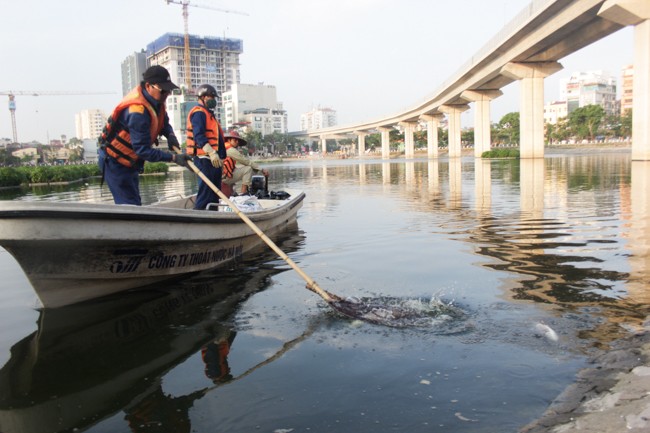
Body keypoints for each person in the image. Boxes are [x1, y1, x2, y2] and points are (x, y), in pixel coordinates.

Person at [98, 65, 191, 205]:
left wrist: (170, 135)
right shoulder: (137, 112)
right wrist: (173, 158)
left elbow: (163, 121)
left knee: (134, 202)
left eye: (169, 91)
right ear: (149, 86)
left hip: (130, 163)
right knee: (129, 205)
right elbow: (142, 150)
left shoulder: (156, 102)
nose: (167, 94)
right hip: (115, 162)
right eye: (163, 90)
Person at [185, 84, 226, 210]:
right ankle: (199, 215)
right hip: (204, 158)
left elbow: (218, 139)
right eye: (211, 96)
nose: (213, 99)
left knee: (215, 192)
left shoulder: (209, 114)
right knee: (206, 190)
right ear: (202, 97)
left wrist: (221, 157)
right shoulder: (199, 113)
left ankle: (213, 213)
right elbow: (199, 135)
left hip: (214, 159)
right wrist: (211, 152)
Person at [222, 130, 269, 195]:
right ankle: (243, 193)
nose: (237, 142)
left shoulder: (224, 147)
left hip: (222, 176)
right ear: (229, 140)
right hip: (224, 178)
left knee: (239, 168)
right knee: (248, 169)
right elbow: (246, 161)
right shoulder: (230, 150)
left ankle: (235, 192)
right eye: (235, 140)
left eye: (238, 141)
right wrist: (261, 169)